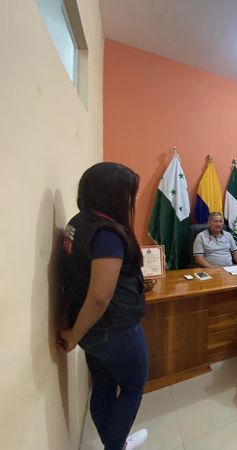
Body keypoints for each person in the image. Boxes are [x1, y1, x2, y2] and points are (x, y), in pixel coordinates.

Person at [58, 162, 149, 450]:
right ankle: (115, 446)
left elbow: (85, 275)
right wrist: (73, 336)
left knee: (103, 386)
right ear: (112, 194)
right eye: (130, 193)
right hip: (114, 327)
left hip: (91, 327)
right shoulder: (107, 234)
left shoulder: (78, 222)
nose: (134, 199)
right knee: (133, 387)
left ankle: (115, 444)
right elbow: (100, 296)